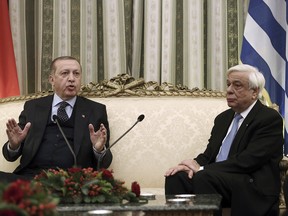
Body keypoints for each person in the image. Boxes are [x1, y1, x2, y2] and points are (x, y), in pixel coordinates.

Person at [165, 64, 284, 216]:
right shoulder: (223, 119)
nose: (228, 90)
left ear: (254, 92)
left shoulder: (268, 118)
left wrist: (202, 170)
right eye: (228, 84)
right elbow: (209, 156)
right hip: (216, 179)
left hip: (250, 185)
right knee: (177, 177)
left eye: (237, 85)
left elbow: (248, 161)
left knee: (204, 177)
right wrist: (192, 164)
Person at [1, 56, 112, 182]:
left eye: (76, 74)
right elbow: (10, 156)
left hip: (71, 182)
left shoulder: (96, 110)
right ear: (52, 79)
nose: (71, 79)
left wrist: (98, 150)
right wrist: (14, 145)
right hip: (30, 178)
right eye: (65, 73)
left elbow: (105, 162)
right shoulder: (33, 107)